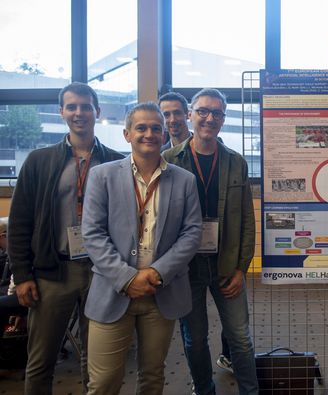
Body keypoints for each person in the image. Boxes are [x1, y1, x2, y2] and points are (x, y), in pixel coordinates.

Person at [8, 82, 124, 394]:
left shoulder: (116, 162)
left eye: (86, 106)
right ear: (62, 112)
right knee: (41, 360)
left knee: (96, 362)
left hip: (101, 273)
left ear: (97, 112)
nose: (79, 112)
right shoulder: (39, 161)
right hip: (53, 273)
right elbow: (19, 223)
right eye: (71, 106)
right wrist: (22, 276)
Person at [81, 102, 202, 394]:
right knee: (103, 382)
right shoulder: (102, 176)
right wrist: (127, 278)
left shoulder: (184, 180)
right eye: (141, 128)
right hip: (112, 291)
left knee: (152, 377)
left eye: (156, 128)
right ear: (126, 134)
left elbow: (192, 233)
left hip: (160, 292)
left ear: (164, 134)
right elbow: (93, 233)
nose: (149, 133)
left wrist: (157, 273)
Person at [163, 88, 258, 395]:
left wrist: (241, 269)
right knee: (194, 339)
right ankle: (204, 390)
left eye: (216, 113)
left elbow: (246, 221)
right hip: (185, 268)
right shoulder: (168, 161)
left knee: (240, 338)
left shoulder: (235, 162)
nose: (209, 118)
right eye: (203, 111)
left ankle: (250, 391)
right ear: (190, 115)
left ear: (222, 119)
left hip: (226, 265)